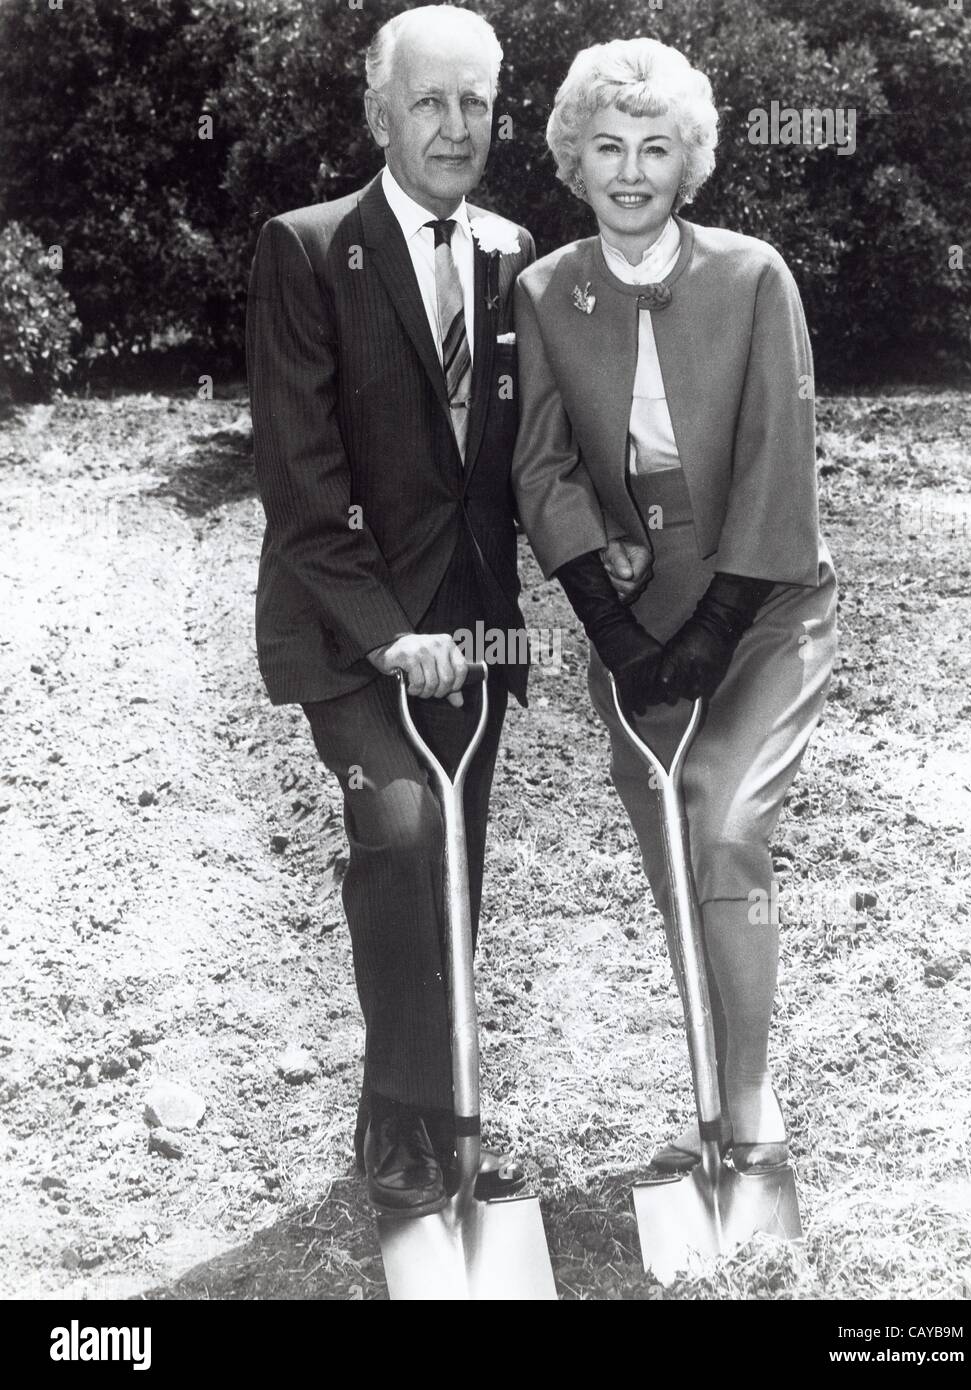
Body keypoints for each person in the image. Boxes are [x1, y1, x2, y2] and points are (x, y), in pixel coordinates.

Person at [512, 37, 837, 1173]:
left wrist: (713, 629)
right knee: (672, 854)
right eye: (609, 147)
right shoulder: (547, 290)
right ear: (575, 158)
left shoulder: (754, 278)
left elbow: (776, 464)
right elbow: (542, 469)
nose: (632, 171)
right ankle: (709, 1079)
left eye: (656, 148)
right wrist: (613, 627)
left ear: (688, 160)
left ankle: (751, 1102)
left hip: (764, 606)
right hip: (636, 622)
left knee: (723, 818)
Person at [247, 5, 535, 1217]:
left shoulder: (517, 254)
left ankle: (431, 1105)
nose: (455, 125)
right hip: (354, 626)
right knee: (404, 837)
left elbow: (527, 464)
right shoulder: (310, 251)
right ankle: (405, 1125)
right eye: (430, 102)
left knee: (453, 860)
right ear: (379, 114)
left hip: (473, 628)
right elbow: (304, 486)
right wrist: (386, 635)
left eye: (475, 102)